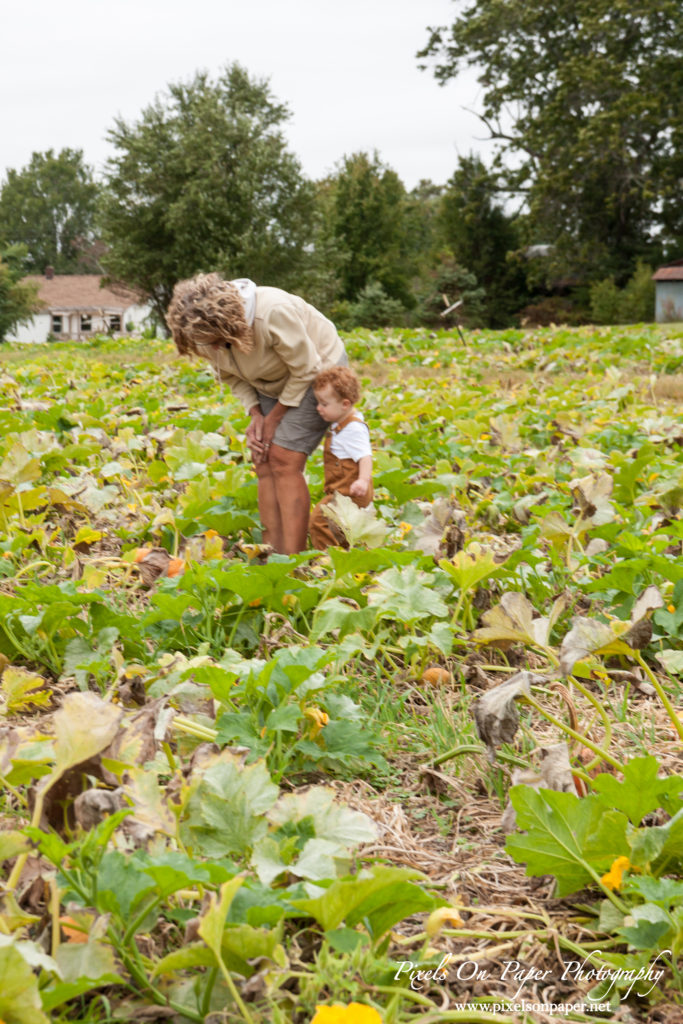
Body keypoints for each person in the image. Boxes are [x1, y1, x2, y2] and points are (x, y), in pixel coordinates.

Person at [166, 273, 347, 554]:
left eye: (216, 341)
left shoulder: (272, 312)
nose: (212, 349)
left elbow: (306, 368)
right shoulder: (201, 333)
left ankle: (292, 559)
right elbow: (229, 374)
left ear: (229, 325)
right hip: (269, 380)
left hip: (319, 371)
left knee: (284, 459)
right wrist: (256, 414)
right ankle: (270, 551)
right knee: (262, 458)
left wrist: (274, 417)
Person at [309, 365, 373, 549]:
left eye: (324, 404)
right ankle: (345, 553)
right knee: (342, 527)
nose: (318, 408)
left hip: (350, 492)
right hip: (343, 491)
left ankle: (327, 561)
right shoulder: (342, 424)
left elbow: (365, 457)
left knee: (320, 521)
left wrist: (362, 480)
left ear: (345, 404)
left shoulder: (352, 428)